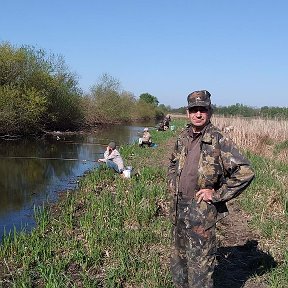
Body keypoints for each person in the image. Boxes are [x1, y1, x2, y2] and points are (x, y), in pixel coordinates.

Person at [167, 90, 255, 288]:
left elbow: (245, 172)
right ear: (188, 112)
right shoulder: (184, 136)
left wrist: (216, 194)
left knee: (200, 271)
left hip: (201, 213)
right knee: (179, 265)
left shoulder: (218, 139)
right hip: (178, 210)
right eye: (194, 110)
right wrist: (172, 182)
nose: (198, 114)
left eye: (203, 110)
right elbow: (173, 162)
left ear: (209, 111)